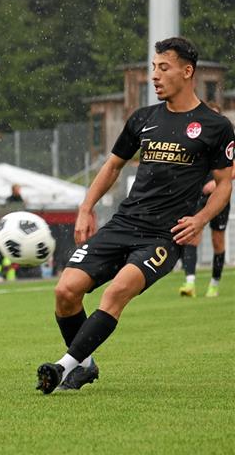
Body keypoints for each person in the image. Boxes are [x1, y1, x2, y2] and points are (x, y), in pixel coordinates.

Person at [35, 37, 234, 394]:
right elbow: (112, 167)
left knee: (116, 292)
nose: (155, 76)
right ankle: (86, 364)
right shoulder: (143, 119)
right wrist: (86, 207)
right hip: (124, 224)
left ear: (187, 72)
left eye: (163, 68)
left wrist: (201, 219)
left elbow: (223, 184)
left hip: (163, 236)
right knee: (65, 291)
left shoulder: (215, 126)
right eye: (153, 68)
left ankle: (62, 368)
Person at [179, 102, 233, 299]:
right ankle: (190, 283)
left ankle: (214, 284)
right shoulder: (195, 136)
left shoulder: (226, 136)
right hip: (197, 194)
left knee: (217, 240)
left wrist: (216, 185)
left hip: (219, 196)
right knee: (191, 235)